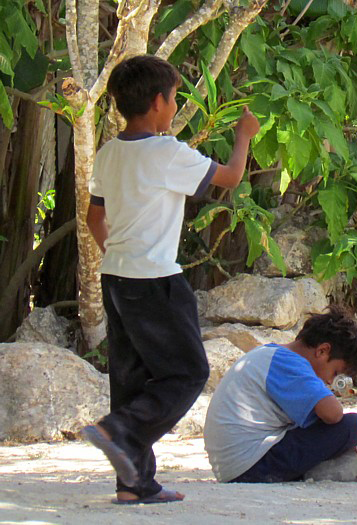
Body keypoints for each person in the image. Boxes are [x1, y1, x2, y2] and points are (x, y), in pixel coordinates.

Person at [82, 54, 260, 504]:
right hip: (156, 279)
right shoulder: (167, 152)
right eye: (176, 97)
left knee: (130, 379)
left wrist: (118, 253)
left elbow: (94, 216)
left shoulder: (109, 151)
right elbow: (232, 177)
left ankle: (133, 484)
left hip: (117, 277)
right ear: (159, 102)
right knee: (187, 372)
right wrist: (243, 137)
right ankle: (121, 431)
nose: (176, 105)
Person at [203, 309, 357, 484]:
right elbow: (333, 414)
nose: (330, 381)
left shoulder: (271, 355)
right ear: (323, 351)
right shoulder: (290, 364)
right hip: (250, 467)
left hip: (234, 465)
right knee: (355, 425)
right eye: (334, 373)